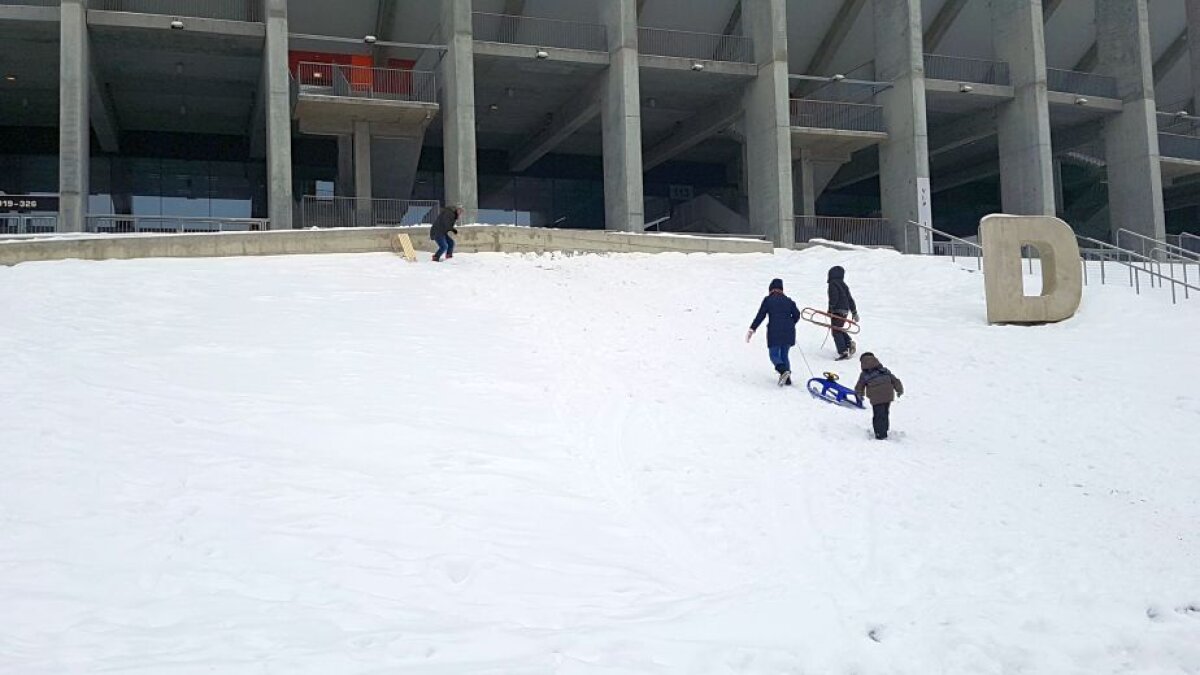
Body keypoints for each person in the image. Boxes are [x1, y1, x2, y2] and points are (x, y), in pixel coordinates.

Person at [747, 278, 802, 386]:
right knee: (784, 355)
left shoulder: (768, 300)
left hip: (774, 331)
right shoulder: (789, 301)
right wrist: (790, 324)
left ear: (771, 289)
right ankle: (787, 379)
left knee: (774, 355)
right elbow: (797, 315)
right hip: (789, 331)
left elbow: (761, 315)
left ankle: (783, 371)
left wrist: (752, 328)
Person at [854, 352, 904, 440]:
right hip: (888, 394)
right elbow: (895, 380)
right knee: (885, 412)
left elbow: (859, 386)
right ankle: (884, 429)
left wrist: (859, 395)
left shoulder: (864, 375)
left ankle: (880, 434)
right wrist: (899, 390)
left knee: (878, 415)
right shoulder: (884, 370)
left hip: (876, 397)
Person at [827, 265, 859, 360]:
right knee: (838, 329)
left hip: (837, 310)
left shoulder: (833, 283)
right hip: (845, 311)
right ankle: (849, 343)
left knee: (836, 331)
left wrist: (831, 308)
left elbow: (834, 297)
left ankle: (843, 351)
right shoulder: (843, 284)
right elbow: (849, 298)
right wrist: (854, 311)